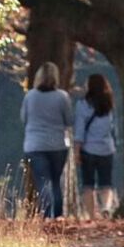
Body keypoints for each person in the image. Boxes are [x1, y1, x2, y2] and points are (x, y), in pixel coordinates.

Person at [21, 61, 75, 219]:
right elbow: (69, 120)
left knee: (43, 181)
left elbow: (24, 118)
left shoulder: (30, 96)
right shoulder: (62, 97)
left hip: (35, 145)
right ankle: (58, 215)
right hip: (57, 145)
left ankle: (46, 213)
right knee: (56, 181)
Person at [74, 73, 118, 219]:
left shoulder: (83, 105)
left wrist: (77, 151)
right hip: (107, 149)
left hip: (88, 149)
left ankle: (92, 216)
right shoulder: (109, 103)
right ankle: (106, 208)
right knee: (106, 183)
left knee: (88, 185)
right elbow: (113, 128)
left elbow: (80, 130)